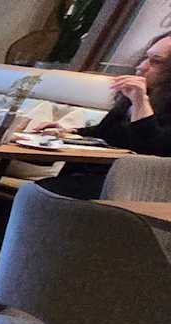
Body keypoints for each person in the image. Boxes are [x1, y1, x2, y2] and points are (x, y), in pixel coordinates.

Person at [31, 31, 171, 199]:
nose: (141, 66)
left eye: (156, 62)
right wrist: (69, 131)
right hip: (93, 176)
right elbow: (104, 132)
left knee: (35, 193)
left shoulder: (141, 98)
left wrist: (140, 102)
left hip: (135, 189)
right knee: (35, 190)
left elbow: (150, 152)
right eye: (145, 58)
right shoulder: (142, 95)